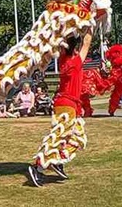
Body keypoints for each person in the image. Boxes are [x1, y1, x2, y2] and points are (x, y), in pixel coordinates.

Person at [28, 31, 93, 187]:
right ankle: (38, 166)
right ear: (74, 48)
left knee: (77, 138)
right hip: (67, 105)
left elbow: (73, 44)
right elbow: (87, 42)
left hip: (68, 104)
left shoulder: (64, 60)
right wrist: (92, 20)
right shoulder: (75, 61)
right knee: (58, 137)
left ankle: (57, 160)